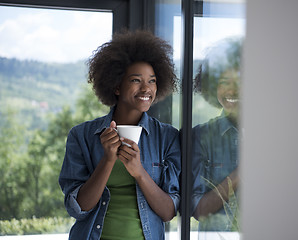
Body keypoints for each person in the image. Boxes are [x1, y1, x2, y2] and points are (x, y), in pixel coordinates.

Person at [58, 30, 181, 240]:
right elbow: (78, 209)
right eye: (136, 80)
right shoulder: (82, 136)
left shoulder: (167, 137)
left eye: (152, 81)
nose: (146, 88)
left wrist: (139, 172)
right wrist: (107, 160)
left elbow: (168, 212)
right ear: (116, 85)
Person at [192, 37, 242, 233]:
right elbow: (198, 210)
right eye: (223, 82)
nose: (232, 89)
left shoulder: (278, 135)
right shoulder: (201, 136)